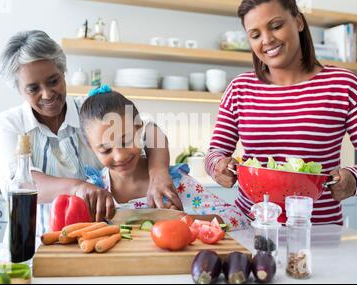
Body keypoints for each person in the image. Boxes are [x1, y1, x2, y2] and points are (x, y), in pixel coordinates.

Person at [205, 0, 357, 225]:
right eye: (255, 34)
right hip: (251, 228)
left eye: (276, 26)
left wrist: (355, 177)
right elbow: (215, 152)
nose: (267, 40)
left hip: (318, 231)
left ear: (298, 21)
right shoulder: (239, 88)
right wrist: (219, 166)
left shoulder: (344, 85)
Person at [0, 30, 181, 233]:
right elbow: (18, 182)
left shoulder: (91, 113)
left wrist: (159, 172)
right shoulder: (9, 125)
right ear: (18, 89)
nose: (47, 94)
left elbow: (149, 129)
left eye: (53, 81)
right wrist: (77, 187)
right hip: (37, 242)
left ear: (63, 73)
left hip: (97, 239)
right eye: (33, 88)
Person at [79, 85, 249, 230]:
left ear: (139, 128)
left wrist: (182, 220)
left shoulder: (174, 184)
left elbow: (238, 219)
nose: (119, 156)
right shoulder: (96, 191)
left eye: (126, 141)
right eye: (106, 150)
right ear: (89, 146)